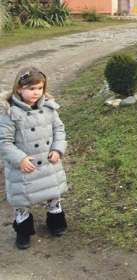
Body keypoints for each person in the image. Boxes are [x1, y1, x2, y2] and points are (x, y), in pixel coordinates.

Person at [0, 66, 68, 250]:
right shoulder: (9, 113)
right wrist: (19, 159)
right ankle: (23, 230)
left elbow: (59, 130)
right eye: (31, 89)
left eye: (40, 88)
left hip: (47, 162)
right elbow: (4, 142)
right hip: (23, 166)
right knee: (21, 200)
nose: (36, 93)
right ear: (19, 89)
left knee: (53, 193)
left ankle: (56, 222)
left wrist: (57, 149)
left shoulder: (49, 108)